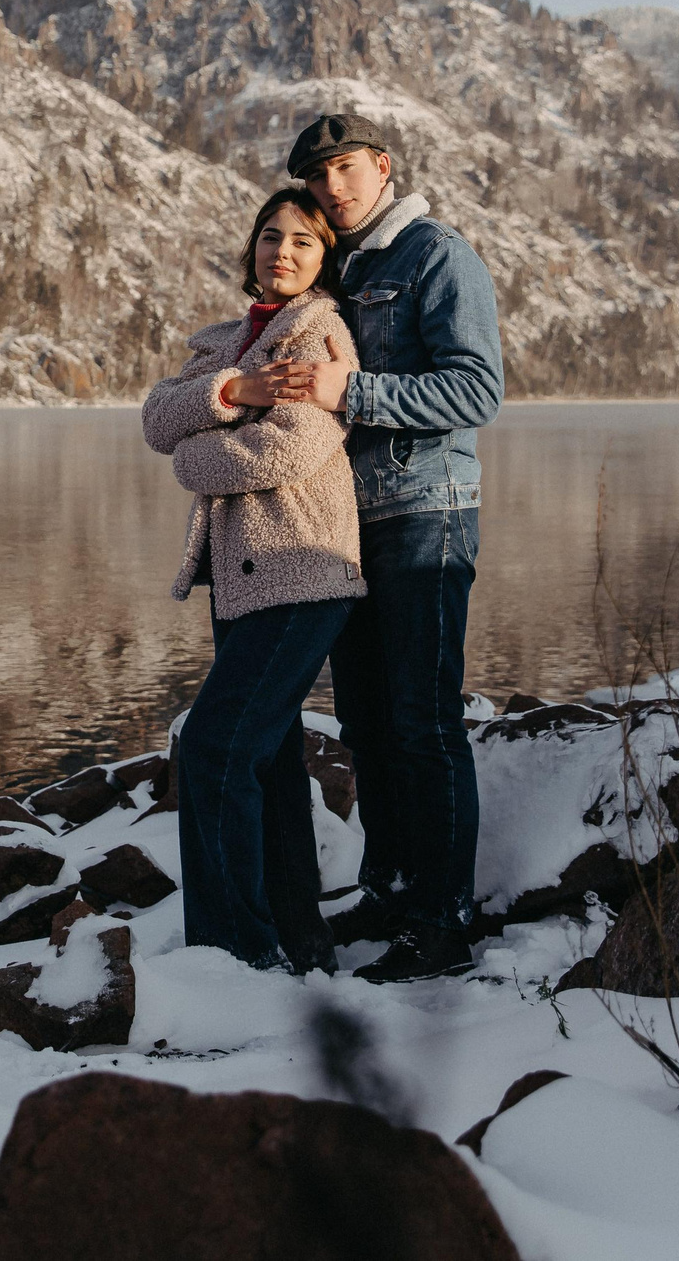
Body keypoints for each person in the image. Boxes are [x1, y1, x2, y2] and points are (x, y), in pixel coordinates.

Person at [229, 113, 504, 982]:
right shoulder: (342, 270)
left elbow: (477, 386)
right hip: (347, 526)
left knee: (423, 722)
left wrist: (357, 388)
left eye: (344, 169)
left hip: (427, 510)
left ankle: (443, 920)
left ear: (381, 165)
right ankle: (389, 890)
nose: (331, 188)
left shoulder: (436, 253)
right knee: (366, 723)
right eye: (318, 178)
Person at [141, 188, 367, 973]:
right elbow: (156, 419)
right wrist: (235, 392)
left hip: (302, 571)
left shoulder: (320, 334)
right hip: (242, 580)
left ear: (323, 259)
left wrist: (196, 455)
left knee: (213, 747)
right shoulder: (233, 341)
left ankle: (229, 952)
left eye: (305, 241)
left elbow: (281, 452)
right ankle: (300, 941)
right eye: (272, 237)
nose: (284, 252)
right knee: (264, 760)